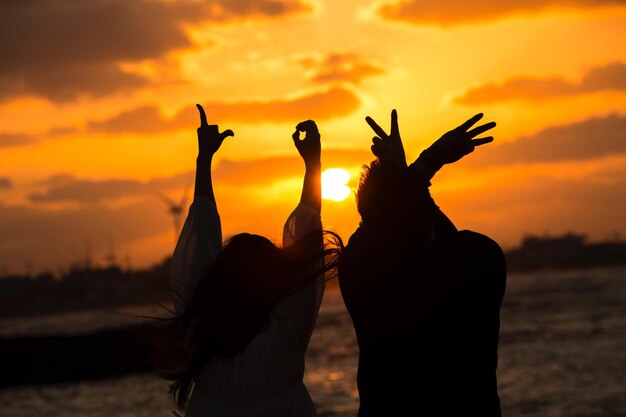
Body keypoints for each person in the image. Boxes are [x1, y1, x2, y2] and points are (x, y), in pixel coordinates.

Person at [159, 104, 342, 416]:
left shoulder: (202, 330)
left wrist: (204, 160)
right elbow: (307, 234)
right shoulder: (288, 326)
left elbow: (199, 238)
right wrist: (313, 163)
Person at [338, 110, 507, 416]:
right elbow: (446, 239)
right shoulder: (482, 259)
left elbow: (374, 232)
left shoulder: (356, 273)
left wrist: (417, 172)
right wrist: (420, 169)